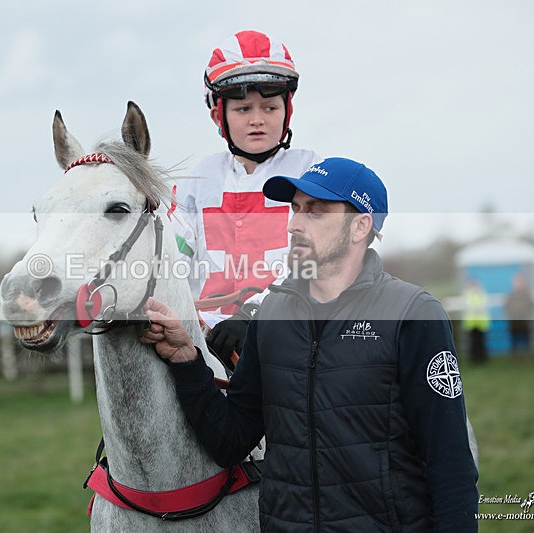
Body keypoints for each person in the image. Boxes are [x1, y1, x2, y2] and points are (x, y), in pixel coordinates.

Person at [142, 158, 479, 531]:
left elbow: (451, 465)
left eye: (316, 212)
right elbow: (230, 442)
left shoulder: (413, 314)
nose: (295, 224)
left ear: (360, 226)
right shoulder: (271, 316)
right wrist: (187, 359)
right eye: (295, 208)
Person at [172, 30, 320, 366]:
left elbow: (317, 260)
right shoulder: (196, 181)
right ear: (219, 116)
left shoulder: (310, 172)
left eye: (269, 107)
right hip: (205, 340)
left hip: (291, 333)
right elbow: (174, 257)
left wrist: (256, 315)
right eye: (243, 109)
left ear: (287, 111)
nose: (257, 119)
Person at [504, 273, 534, 356]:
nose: (518, 284)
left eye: (519, 281)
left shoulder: (526, 294)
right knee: (514, 337)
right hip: (514, 319)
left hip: (524, 319)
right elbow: (506, 306)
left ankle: (528, 354)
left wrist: (527, 314)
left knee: (526, 337)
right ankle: (515, 355)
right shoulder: (511, 294)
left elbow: (531, 304)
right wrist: (511, 315)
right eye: (516, 282)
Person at [462, 278, 490, 364]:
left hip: (481, 323)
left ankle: (482, 359)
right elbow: (467, 306)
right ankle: (474, 359)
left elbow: (484, 306)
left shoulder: (482, 294)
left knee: (481, 342)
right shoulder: (468, 295)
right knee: (473, 342)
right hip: (472, 323)